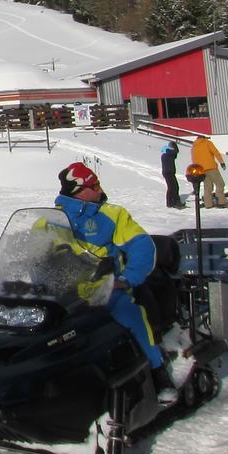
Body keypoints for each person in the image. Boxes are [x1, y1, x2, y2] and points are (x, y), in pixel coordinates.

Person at [54, 162, 175, 400]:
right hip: (66, 290)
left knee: (131, 315)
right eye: (94, 185)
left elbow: (141, 245)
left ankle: (157, 370)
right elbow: (36, 247)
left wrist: (127, 278)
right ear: (78, 190)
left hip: (108, 288)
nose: (100, 189)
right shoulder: (54, 218)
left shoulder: (112, 214)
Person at [190, 134, 228, 208]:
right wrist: (222, 162)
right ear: (204, 138)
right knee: (220, 184)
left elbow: (193, 159)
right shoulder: (207, 143)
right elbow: (215, 152)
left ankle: (208, 204)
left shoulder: (194, 146)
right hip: (211, 168)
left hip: (201, 170)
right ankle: (221, 202)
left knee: (207, 187)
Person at [160, 140, 184, 209]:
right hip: (168, 172)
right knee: (172, 187)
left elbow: (174, 154)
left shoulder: (168, 153)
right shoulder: (167, 153)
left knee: (174, 187)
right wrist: (174, 147)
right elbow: (175, 152)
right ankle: (172, 202)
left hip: (170, 172)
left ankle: (173, 202)